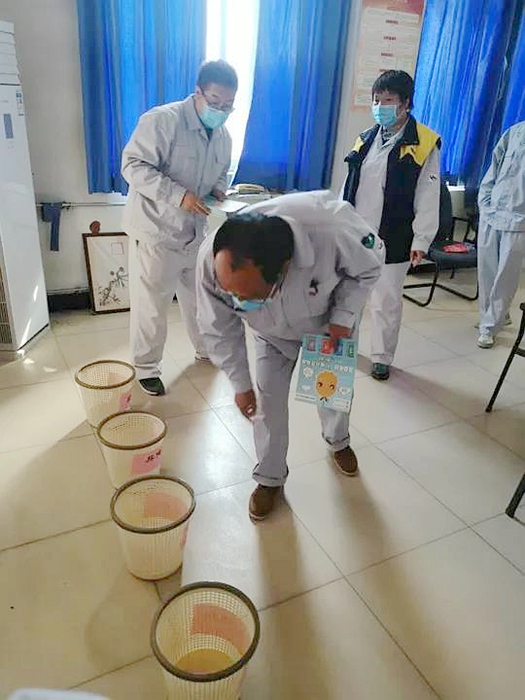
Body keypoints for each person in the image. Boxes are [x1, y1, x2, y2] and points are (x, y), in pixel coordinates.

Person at [196, 190, 384, 520]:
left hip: (328, 326)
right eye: (232, 293)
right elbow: (219, 327)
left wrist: (343, 317)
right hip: (270, 334)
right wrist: (240, 383)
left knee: (331, 394)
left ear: (284, 270)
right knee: (266, 405)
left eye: (249, 295)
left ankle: (338, 441)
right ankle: (269, 477)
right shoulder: (212, 259)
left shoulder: (332, 229)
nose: (237, 300)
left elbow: (369, 267)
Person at [121, 60, 237, 396]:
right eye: (215, 102)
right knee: (152, 306)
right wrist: (177, 195)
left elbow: (221, 172)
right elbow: (133, 165)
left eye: (228, 105)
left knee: (200, 299)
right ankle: (146, 368)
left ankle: (206, 350)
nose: (221, 110)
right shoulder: (162, 120)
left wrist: (219, 189)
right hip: (156, 230)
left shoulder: (224, 136)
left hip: (195, 233)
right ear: (198, 92)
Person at [342, 70, 441, 380]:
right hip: (357, 233)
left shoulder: (424, 142)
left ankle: (382, 357)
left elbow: (428, 194)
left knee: (385, 301)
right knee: (350, 296)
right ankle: (345, 348)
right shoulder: (365, 138)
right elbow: (349, 185)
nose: (380, 106)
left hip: (395, 234)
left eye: (387, 100)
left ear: (405, 103)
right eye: (376, 100)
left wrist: (421, 240)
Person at [477, 121, 525, 349]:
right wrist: (485, 201)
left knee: (505, 277)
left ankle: (489, 326)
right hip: (492, 212)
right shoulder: (515, 131)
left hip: (519, 221)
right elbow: (494, 167)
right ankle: (496, 315)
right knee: (486, 272)